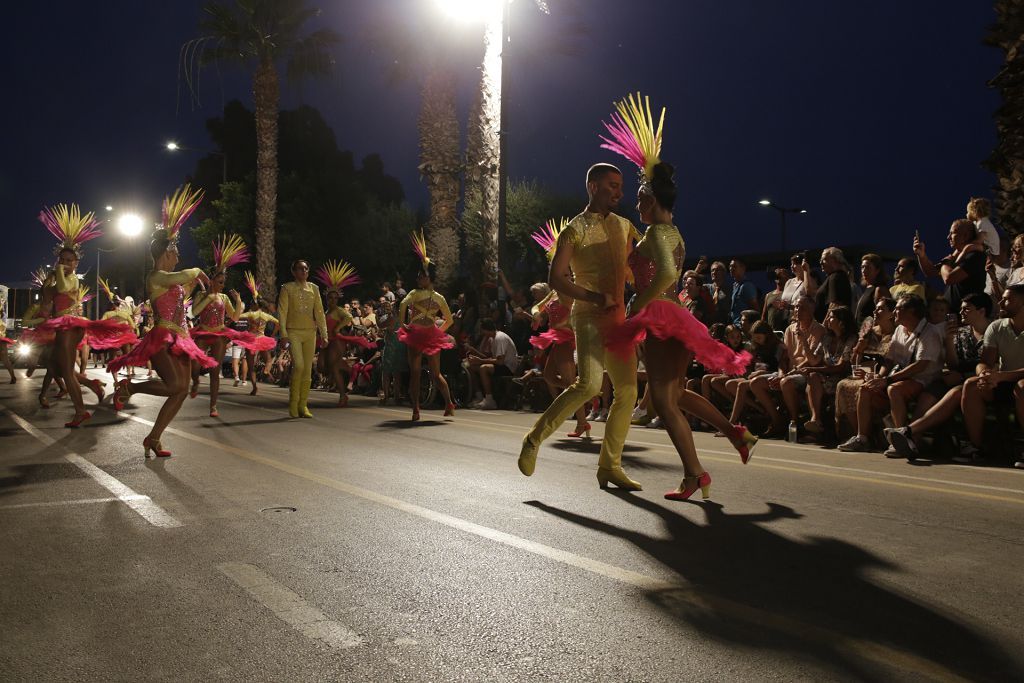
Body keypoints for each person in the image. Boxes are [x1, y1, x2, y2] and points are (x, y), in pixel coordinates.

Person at [598, 94, 755, 499]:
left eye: (639, 198)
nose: (636, 204)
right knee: (677, 394)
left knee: (665, 405)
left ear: (651, 200)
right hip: (672, 313)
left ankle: (695, 474)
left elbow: (667, 274)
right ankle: (735, 433)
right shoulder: (674, 232)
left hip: (661, 314)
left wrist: (640, 302)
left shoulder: (656, 233)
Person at [517, 159, 644, 490]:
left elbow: (647, 258)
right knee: (588, 385)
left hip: (618, 320)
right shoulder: (574, 229)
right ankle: (533, 439)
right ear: (593, 187)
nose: (619, 191)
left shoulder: (625, 225)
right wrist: (593, 296)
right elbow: (555, 277)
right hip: (588, 315)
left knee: (628, 391)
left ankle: (609, 466)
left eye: (621, 186)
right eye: (612, 185)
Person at [109, 184, 215, 456]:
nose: (178, 255)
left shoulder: (174, 279)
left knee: (179, 392)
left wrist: (207, 289)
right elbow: (179, 278)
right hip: (161, 337)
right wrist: (197, 271)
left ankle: (153, 438)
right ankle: (130, 386)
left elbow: (186, 302)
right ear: (167, 252)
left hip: (180, 338)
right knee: (175, 386)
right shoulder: (156, 277)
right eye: (176, 251)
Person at [35, 204, 137, 427]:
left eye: (69, 261)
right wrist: (47, 284)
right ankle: (92, 386)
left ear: (76, 263)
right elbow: (47, 300)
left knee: (65, 371)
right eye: (62, 260)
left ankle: (81, 410)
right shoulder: (61, 276)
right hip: (64, 325)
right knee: (59, 366)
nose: (65, 263)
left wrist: (58, 272)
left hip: (70, 326)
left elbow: (61, 288)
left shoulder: (71, 278)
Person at [884, 292, 993, 460]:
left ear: (981, 311)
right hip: (955, 376)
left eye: (967, 309)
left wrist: (964, 375)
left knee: (956, 392)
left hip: (980, 379)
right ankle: (912, 440)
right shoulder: (961, 333)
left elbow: (990, 363)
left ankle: (909, 433)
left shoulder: (993, 330)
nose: (961, 313)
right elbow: (953, 363)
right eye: (961, 309)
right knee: (928, 394)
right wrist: (949, 340)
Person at [838, 295, 943, 452]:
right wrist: (878, 377)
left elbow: (920, 366)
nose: (894, 312)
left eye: (898, 308)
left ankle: (902, 440)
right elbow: (889, 360)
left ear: (911, 312)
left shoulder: (930, 332)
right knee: (865, 388)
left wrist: (887, 380)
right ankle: (862, 438)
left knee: (894, 389)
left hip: (922, 380)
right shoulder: (900, 329)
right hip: (898, 377)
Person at [189, 234, 271, 418]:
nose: (222, 285)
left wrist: (239, 300)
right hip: (202, 332)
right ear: (211, 280)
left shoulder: (225, 297)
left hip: (219, 334)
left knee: (215, 369)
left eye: (223, 282)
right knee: (194, 366)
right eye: (219, 282)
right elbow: (194, 313)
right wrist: (209, 297)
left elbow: (234, 317)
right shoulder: (202, 295)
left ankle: (213, 405)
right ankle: (194, 381)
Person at [525, 221, 590, 437]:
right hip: (555, 340)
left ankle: (582, 421)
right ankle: (584, 394)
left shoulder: (567, 291)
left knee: (569, 383)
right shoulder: (554, 293)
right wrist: (536, 314)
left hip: (566, 338)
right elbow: (537, 306)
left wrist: (560, 325)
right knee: (549, 376)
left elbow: (577, 312)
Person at [951, 284, 1024, 463]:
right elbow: (985, 361)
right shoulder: (997, 327)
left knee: (1022, 386)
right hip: (1003, 381)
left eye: (1007, 299)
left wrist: (999, 376)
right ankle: (976, 447)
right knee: (972, 385)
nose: (1001, 302)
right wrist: (984, 375)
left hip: (1017, 382)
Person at [398, 231, 456, 421]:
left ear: (427, 277)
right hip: (430, 334)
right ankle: (448, 403)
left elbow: (402, 305)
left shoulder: (414, 294)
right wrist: (438, 333)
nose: (417, 279)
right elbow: (450, 320)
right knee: (435, 373)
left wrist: (403, 324)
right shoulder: (440, 297)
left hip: (415, 334)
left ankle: (416, 409)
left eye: (420, 276)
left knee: (415, 373)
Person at [317, 260, 372, 407]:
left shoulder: (339, 310)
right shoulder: (327, 311)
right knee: (321, 366)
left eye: (335, 298)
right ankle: (346, 368)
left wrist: (337, 328)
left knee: (333, 367)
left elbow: (348, 317)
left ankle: (343, 396)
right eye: (330, 297)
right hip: (326, 341)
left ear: (338, 299)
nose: (333, 300)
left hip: (337, 341)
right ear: (326, 298)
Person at [278, 259, 329, 418]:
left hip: (310, 332)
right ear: (293, 272)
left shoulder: (314, 289)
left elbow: (319, 312)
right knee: (298, 366)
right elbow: (282, 312)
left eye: (306, 269)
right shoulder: (287, 288)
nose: (303, 272)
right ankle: (293, 403)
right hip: (293, 332)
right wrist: (284, 334)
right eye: (300, 269)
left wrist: (324, 334)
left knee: (307, 369)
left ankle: (303, 405)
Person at [801, 305, 857, 436]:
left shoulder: (851, 339)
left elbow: (841, 367)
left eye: (831, 317)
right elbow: (815, 360)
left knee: (812, 377)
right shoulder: (826, 338)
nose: (827, 320)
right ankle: (816, 419)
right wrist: (804, 342)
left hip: (842, 376)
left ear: (841, 322)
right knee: (813, 376)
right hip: (826, 375)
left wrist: (811, 368)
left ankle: (818, 426)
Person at [914, 219, 986, 312]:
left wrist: (945, 263)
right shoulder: (956, 256)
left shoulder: (975, 256)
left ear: (965, 236)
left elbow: (949, 278)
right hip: (951, 316)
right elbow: (930, 272)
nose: (948, 237)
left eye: (952, 233)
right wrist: (922, 255)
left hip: (965, 317)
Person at [238, 272, 279, 396]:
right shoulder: (266, 315)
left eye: (252, 303)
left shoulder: (250, 314)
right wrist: (272, 335)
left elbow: (238, 317)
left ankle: (254, 387)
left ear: (255, 304)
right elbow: (278, 323)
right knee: (269, 360)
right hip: (262, 338)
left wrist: (238, 306)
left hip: (251, 339)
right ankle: (266, 371)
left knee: (251, 366)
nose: (251, 305)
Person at [467, 318, 518, 409]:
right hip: (501, 365)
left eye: (481, 330)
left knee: (484, 368)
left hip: (508, 367)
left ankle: (489, 399)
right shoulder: (493, 339)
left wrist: (480, 361)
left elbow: (500, 361)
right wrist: (476, 358)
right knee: (471, 367)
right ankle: (479, 397)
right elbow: (492, 359)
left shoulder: (499, 338)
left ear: (485, 329)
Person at [805, 247, 854, 322]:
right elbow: (810, 292)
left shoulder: (835, 277)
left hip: (831, 329)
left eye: (824, 259)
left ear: (835, 260)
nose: (821, 262)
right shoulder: (835, 277)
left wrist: (824, 326)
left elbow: (834, 305)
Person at [855, 253, 891, 324]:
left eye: (867, 267)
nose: (863, 270)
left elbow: (882, 316)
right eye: (862, 267)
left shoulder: (879, 289)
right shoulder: (868, 288)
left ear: (877, 270)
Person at [729, 258, 758, 326]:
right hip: (735, 326)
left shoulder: (747, 286)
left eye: (734, 266)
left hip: (743, 327)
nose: (731, 268)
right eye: (730, 266)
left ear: (743, 268)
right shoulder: (735, 286)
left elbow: (755, 310)